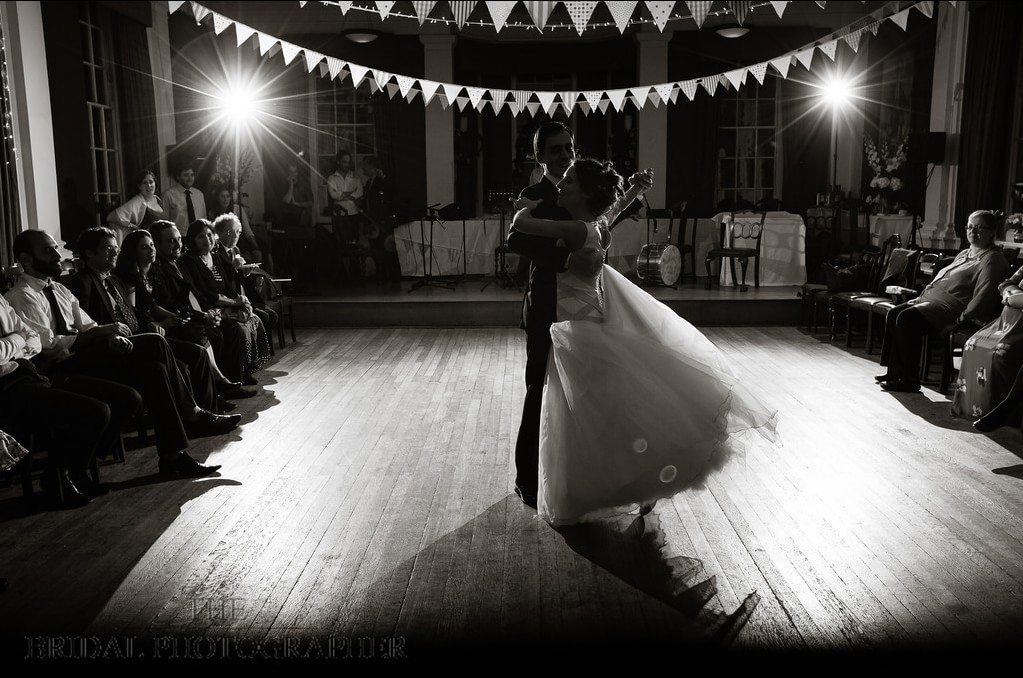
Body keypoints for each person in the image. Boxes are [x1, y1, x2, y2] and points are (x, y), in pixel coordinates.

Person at [510, 159, 777, 526]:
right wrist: (634, 191)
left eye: (569, 181)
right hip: (588, 323)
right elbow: (613, 209)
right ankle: (634, 477)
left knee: (585, 414)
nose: (562, 186)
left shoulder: (575, 228)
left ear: (586, 193)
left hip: (578, 332)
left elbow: (524, 226)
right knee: (604, 412)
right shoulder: (597, 225)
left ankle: (603, 482)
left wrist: (523, 212)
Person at [6, 230, 233, 478]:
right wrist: (101, 334)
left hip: (88, 355)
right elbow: (48, 348)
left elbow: (89, 325)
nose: (57, 255)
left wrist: (110, 336)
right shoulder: (21, 296)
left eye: (55, 248)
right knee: (156, 343)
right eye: (47, 251)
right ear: (26, 259)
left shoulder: (59, 289)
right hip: (61, 367)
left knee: (155, 369)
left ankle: (172, 456)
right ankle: (191, 413)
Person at [0, 293, 142, 508]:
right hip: (7, 387)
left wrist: (16, 341)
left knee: (127, 398)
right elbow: (22, 342)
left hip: (29, 373)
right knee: (95, 411)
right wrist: (17, 339)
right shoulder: (20, 294)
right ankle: (59, 475)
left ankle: (75, 469)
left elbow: (34, 339)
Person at [112, 228, 255, 404]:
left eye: (151, 245)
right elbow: (136, 312)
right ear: (134, 252)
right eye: (144, 247)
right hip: (149, 328)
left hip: (167, 318)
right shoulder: (131, 276)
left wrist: (194, 316)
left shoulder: (153, 271)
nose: (151, 250)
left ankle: (220, 387)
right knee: (199, 332)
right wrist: (168, 321)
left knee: (211, 328)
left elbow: (155, 305)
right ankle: (218, 388)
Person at [876, 210, 1010, 393]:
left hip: (952, 309)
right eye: (970, 227)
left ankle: (909, 379)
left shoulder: (992, 258)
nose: (973, 232)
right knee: (894, 313)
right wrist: (921, 297)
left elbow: (984, 296)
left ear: (992, 231)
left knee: (907, 319)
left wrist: (960, 320)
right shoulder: (965, 253)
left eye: (979, 228)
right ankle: (895, 373)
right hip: (933, 302)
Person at [177, 219, 271, 384]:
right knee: (237, 329)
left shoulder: (214, 256)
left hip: (227, 302)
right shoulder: (190, 261)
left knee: (254, 319)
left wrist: (242, 300)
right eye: (201, 237)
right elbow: (205, 294)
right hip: (211, 307)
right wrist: (234, 303)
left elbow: (227, 286)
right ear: (192, 240)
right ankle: (234, 377)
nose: (207, 240)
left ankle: (245, 369)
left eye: (209, 235)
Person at [953, 262, 1023, 430]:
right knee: (972, 344)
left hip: (1019, 327)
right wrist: (1009, 294)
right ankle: (973, 407)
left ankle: (1004, 411)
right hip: (1006, 321)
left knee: (1002, 352)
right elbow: (1006, 283)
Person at [326, 150, 366, 282]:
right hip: (339, 217)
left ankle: (355, 275)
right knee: (341, 246)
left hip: (353, 215)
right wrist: (350, 194)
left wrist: (343, 194)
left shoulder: (355, 178)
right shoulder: (332, 178)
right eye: (344, 162)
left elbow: (359, 193)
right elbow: (333, 195)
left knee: (354, 245)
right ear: (338, 162)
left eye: (349, 162)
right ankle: (343, 276)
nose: (347, 164)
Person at [208, 185, 265, 270]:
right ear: (217, 198)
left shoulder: (237, 209)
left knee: (262, 249)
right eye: (222, 196)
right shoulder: (212, 212)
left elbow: (247, 230)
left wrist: (255, 247)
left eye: (228, 196)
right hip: (223, 243)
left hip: (239, 239)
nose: (225, 199)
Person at [106, 169, 165, 245]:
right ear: (139, 186)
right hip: (146, 244)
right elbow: (111, 217)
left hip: (160, 243)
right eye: (144, 183)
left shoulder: (157, 199)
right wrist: (132, 226)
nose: (149, 186)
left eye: (151, 182)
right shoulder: (137, 201)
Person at [164, 163, 207, 232]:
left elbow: (204, 216)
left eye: (192, 175)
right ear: (178, 177)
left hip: (198, 234)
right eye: (186, 175)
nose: (190, 178)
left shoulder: (199, 194)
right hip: (178, 236)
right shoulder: (168, 195)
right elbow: (164, 220)